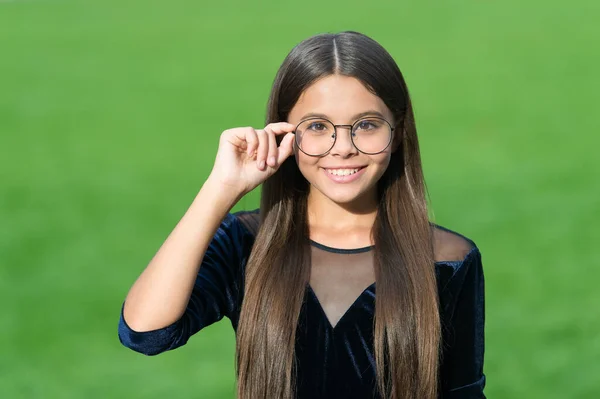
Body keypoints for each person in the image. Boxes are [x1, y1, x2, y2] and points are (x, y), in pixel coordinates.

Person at [117, 31, 486, 399]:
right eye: (317, 127)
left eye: (367, 125)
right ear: (284, 132)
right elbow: (146, 332)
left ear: (399, 130)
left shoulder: (446, 260)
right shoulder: (247, 243)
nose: (342, 148)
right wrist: (220, 189)